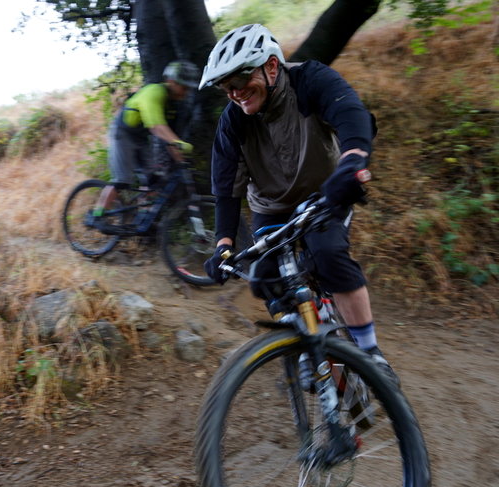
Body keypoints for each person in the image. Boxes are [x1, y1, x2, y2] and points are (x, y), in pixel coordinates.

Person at [199, 24, 398, 383]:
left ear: (271, 67)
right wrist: (224, 245)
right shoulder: (233, 122)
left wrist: (354, 158)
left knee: (328, 252)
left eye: (241, 80)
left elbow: (351, 113)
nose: (235, 93)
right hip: (271, 206)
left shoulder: (309, 80)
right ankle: (309, 342)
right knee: (265, 278)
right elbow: (226, 188)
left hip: (324, 192)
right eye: (226, 87)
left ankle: (370, 354)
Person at [87, 60, 199, 231]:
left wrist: (181, 160)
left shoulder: (173, 104)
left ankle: (143, 219)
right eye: (184, 86)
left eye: (188, 87)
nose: (186, 91)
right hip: (123, 133)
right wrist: (179, 143)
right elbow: (157, 127)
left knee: (153, 179)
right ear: (171, 81)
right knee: (123, 180)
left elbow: (169, 139)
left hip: (141, 138)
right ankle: (97, 215)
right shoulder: (153, 92)